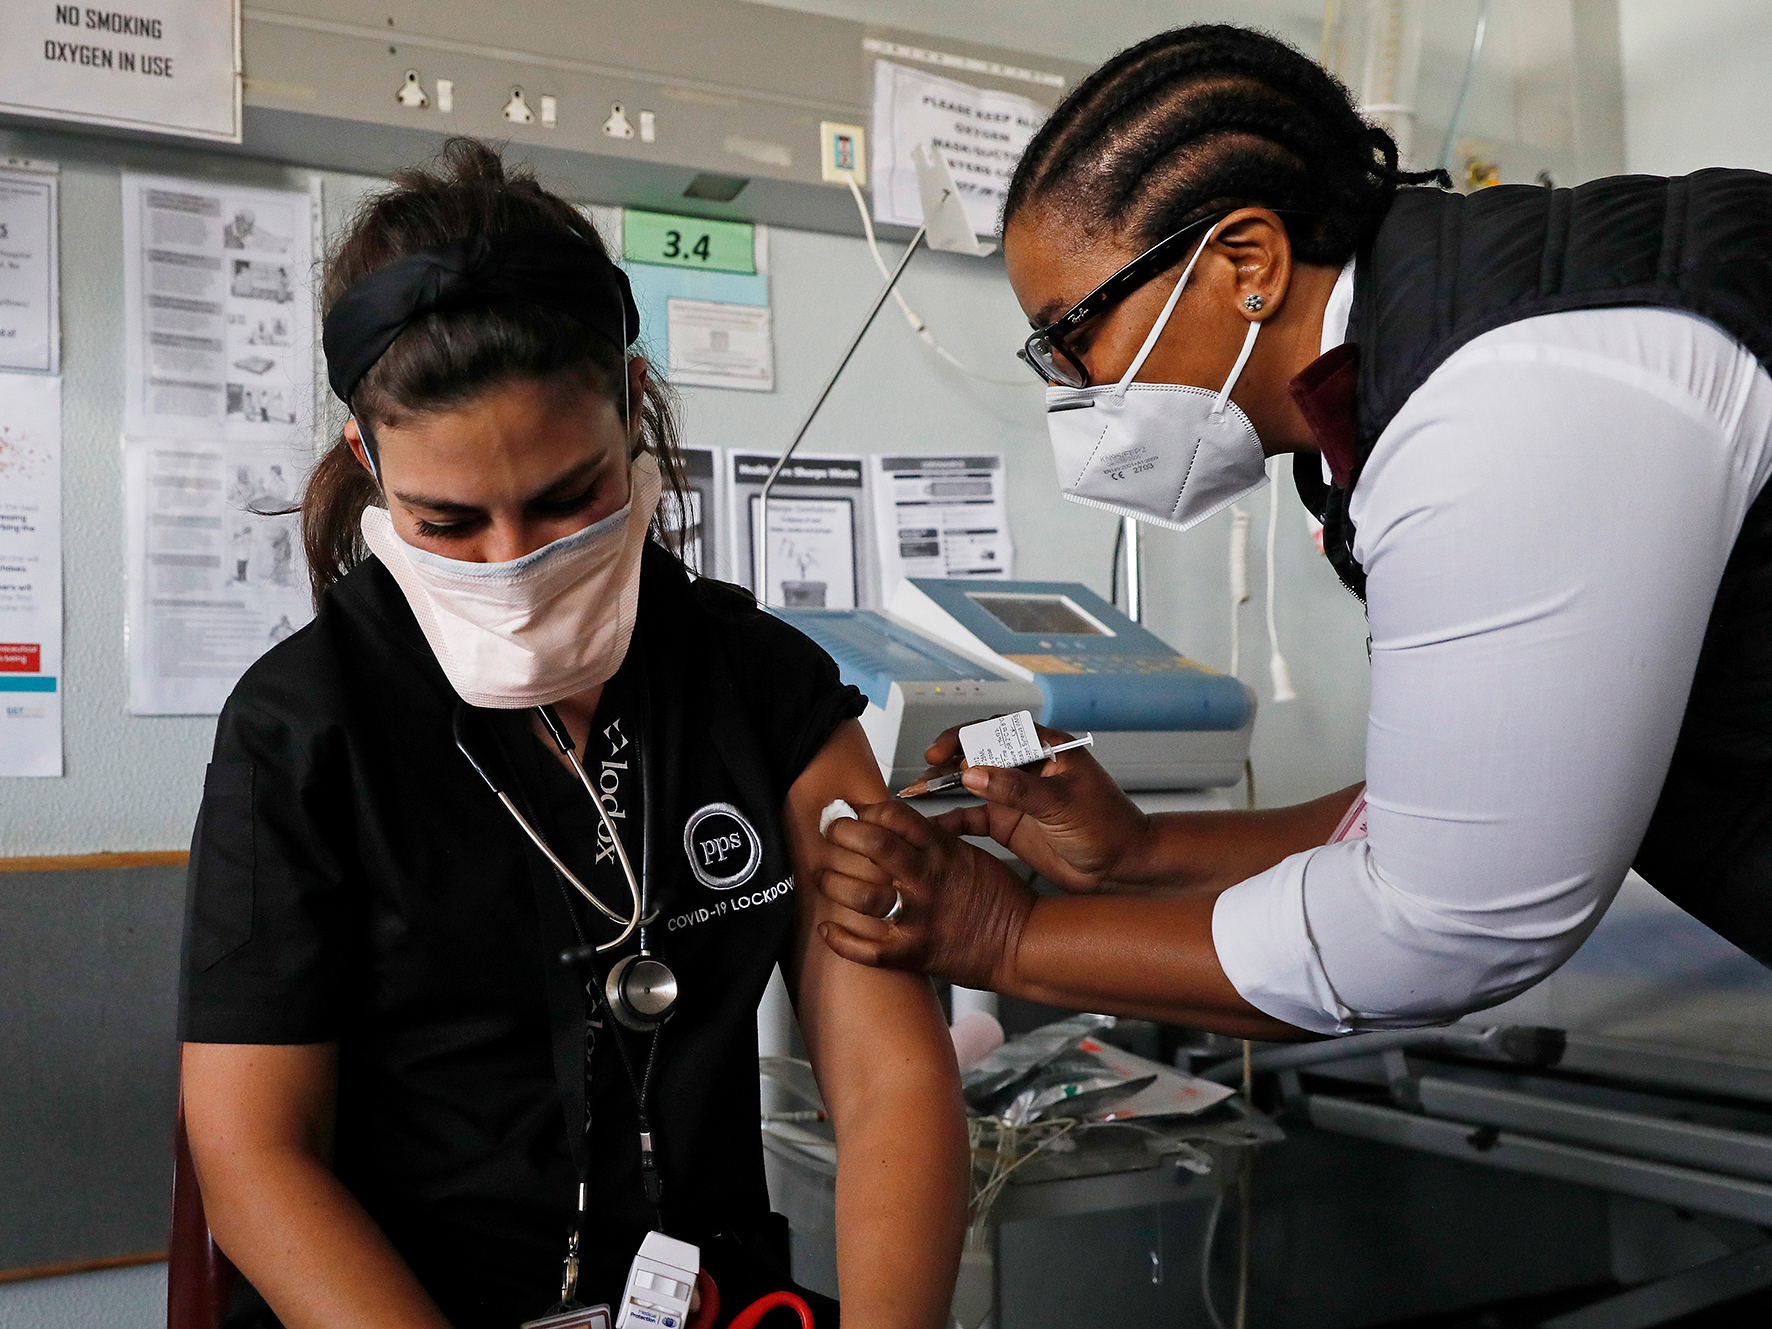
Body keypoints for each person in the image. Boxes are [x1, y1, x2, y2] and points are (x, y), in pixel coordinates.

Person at [816, 24, 1772, 1040]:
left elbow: (1440, 925)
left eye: (1072, 335)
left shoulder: (1506, 401)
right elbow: (1485, 797)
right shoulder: (1410, 363)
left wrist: (1002, 937)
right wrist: (1140, 855)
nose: (1076, 391)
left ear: (1245, 262)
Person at [179, 139, 968, 1329]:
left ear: (633, 410)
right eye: (445, 521)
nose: (514, 562)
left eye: (566, 499)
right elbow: (254, 1158)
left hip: (707, 1298)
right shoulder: (301, 730)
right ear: (367, 463)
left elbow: (890, 1075)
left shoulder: (761, 688)